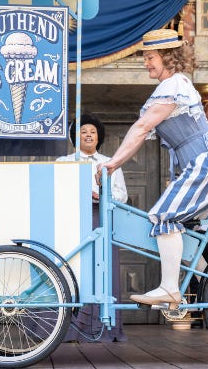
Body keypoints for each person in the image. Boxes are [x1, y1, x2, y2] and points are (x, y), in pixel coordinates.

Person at [97, 29, 208, 308]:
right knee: (191, 231)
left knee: (163, 216)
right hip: (197, 164)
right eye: (146, 58)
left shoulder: (174, 85)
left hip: (202, 163)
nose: (146, 63)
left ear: (168, 57)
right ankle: (199, 289)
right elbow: (144, 130)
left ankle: (170, 289)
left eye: (150, 57)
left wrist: (113, 162)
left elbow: (142, 127)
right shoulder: (174, 85)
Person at [57, 113, 129, 342]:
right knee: (72, 269)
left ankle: (103, 328)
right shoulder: (63, 162)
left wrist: (103, 196)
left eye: (93, 132)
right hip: (70, 219)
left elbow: (122, 195)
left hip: (102, 219)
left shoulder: (111, 162)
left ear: (99, 137)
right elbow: (56, 190)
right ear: (75, 137)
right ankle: (67, 328)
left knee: (103, 271)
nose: (88, 135)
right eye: (83, 131)